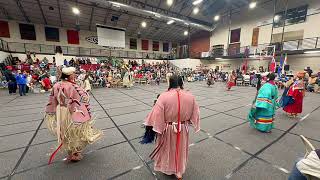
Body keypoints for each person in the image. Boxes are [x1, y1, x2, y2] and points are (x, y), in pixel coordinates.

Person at [143, 75, 200, 179]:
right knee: (181, 149)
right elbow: (195, 112)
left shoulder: (163, 96)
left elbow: (157, 114)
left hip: (167, 128)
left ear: (170, 83)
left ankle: (168, 169)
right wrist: (190, 122)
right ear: (182, 83)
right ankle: (179, 171)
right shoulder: (190, 96)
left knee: (167, 149)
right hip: (183, 129)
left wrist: (157, 128)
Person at [45, 67, 102, 163]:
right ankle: (75, 153)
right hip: (70, 112)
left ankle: (70, 152)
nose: (75, 75)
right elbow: (83, 98)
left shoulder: (56, 85)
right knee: (75, 133)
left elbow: (52, 99)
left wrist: (52, 112)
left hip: (60, 111)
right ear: (70, 75)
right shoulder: (73, 87)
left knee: (65, 133)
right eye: (74, 74)